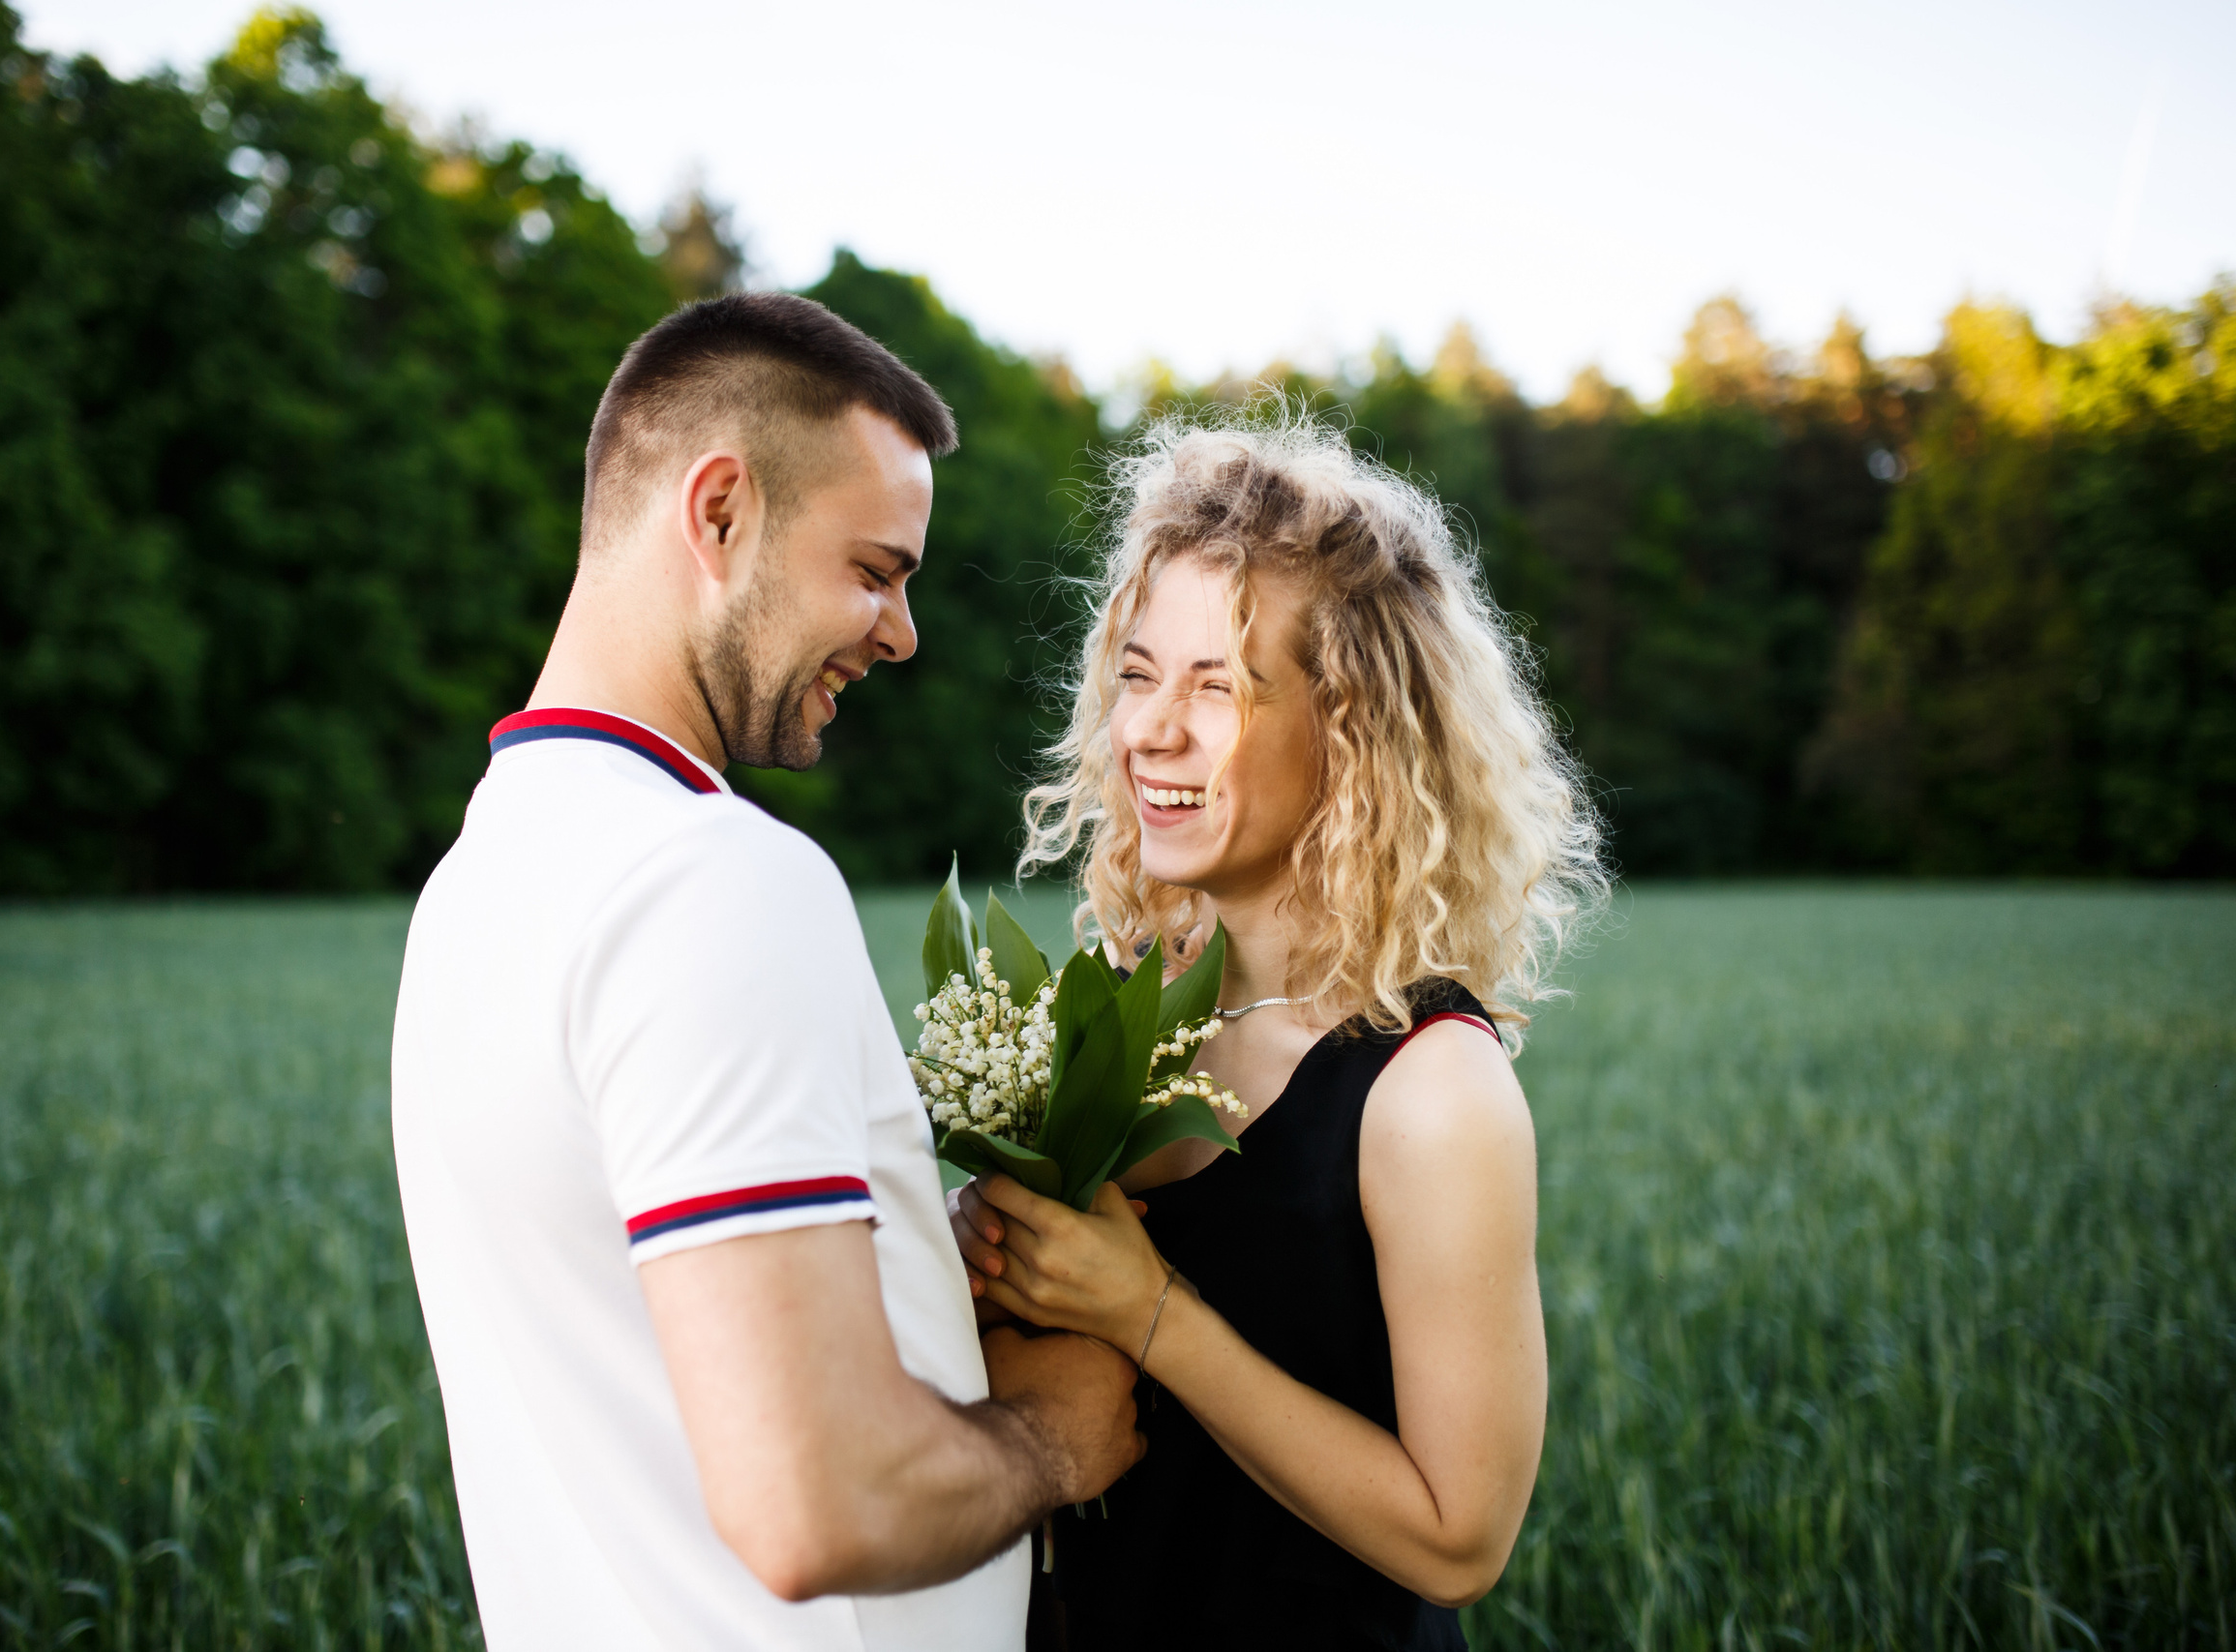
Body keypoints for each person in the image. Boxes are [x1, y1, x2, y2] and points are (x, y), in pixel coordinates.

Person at [392, 293, 1144, 1652]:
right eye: (875, 568)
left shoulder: (473, 886)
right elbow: (813, 1501)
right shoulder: (711, 879)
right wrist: (1055, 1435)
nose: (902, 630)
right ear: (721, 510)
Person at [951, 410, 1606, 1650]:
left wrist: (1150, 1314)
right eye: (1139, 675)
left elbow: (1459, 1541)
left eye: (1221, 685)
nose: (1151, 729)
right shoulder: (1119, 1005)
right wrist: (980, 1252)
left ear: (1354, 730)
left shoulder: (1430, 1091)